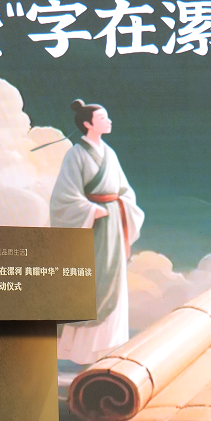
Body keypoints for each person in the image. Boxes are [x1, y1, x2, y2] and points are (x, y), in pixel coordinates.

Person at [50, 99, 144, 364]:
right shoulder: (76, 155)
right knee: (92, 282)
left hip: (114, 222)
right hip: (90, 225)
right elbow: (63, 197)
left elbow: (124, 190)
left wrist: (121, 205)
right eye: (103, 118)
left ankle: (109, 345)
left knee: (114, 279)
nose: (109, 121)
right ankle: (82, 350)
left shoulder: (110, 154)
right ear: (88, 123)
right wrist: (90, 209)